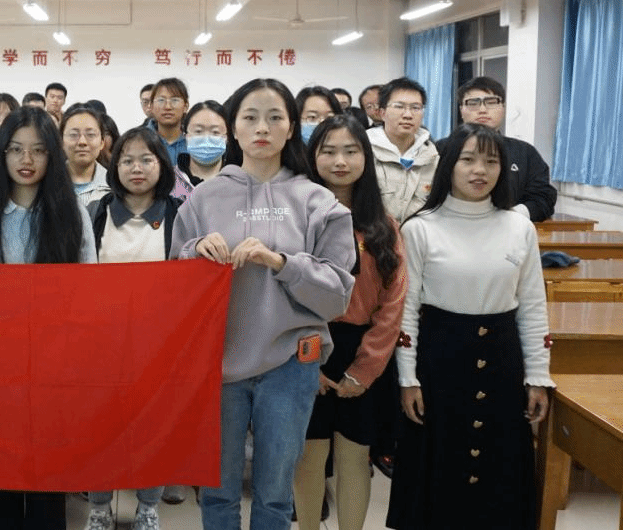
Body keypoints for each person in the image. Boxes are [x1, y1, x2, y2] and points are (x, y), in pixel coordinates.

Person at [171, 78, 356, 530]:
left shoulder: (318, 201)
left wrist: (281, 263)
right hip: (217, 364)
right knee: (217, 493)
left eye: (275, 118)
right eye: (250, 117)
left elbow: (337, 294)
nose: (262, 128)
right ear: (233, 128)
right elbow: (173, 284)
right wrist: (195, 251)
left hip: (291, 364)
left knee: (275, 495)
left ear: (291, 128)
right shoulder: (203, 199)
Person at [386, 124, 554, 530]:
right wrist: (407, 379)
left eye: (491, 161)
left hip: (503, 361)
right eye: (468, 160)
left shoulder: (519, 227)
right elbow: (406, 311)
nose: (480, 170)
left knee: (498, 470)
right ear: (449, 165)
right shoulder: (420, 227)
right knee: (439, 467)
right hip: (439, 361)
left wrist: (538, 376)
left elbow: (533, 306)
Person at [0, 105, 96, 530]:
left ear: (52, 156)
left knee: (46, 479)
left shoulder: (72, 214)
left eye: (38, 150)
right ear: (1, 152)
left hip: (52, 364)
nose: (26, 160)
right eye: (16, 149)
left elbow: (89, 291)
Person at [293, 115, 407, 530]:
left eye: (351, 151)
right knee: (308, 455)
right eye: (329, 151)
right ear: (313, 157)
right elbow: (286, 295)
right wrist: (309, 361)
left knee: (355, 456)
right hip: (307, 347)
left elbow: (393, 304)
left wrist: (364, 370)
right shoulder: (298, 219)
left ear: (366, 157)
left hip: (364, 351)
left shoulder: (384, 226)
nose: (340, 161)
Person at [82, 127, 181, 530]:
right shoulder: (96, 213)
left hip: (158, 346)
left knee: (153, 428)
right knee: (98, 428)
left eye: (146, 159)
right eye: (127, 160)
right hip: (101, 344)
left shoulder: (179, 214)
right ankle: (99, 507)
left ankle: (148, 506)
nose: (136, 168)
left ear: (162, 165)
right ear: (115, 166)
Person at [436, 77, 557, 222]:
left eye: (491, 102)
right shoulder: (440, 149)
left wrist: (511, 216)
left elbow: (544, 197)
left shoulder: (525, 152)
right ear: (461, 110)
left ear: (503, 108)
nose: (482, 110)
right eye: (473, 103)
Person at [367, 78, 439, 223]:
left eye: (416, 108)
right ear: (382, 113)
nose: (408, 115)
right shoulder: (364, 150)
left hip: (418, 235)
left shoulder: (432, 157)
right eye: (399, 107)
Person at [61, 105, 111, 206]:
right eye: (73, 135)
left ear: (102, 142)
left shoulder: (114, 186)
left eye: (90, 135)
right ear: (61, 142)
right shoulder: (46, 185)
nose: (82, 142)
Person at [176, 101, 228, 188]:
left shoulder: (240, 182)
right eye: (198, 131)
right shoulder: (168, 180)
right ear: (186, 136)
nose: (206, 139)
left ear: (227, 137)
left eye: (215, 132)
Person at [150, 77, 190, 165]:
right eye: (161, 100)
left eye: (174, 100)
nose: (167, 107)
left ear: (185, 106)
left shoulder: (194, 142)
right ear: (151, 106)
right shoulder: (140, 140)